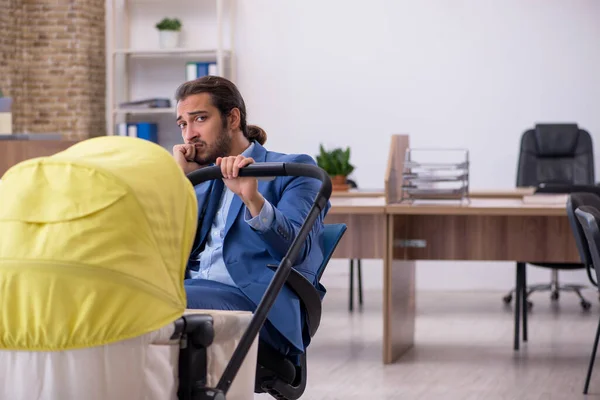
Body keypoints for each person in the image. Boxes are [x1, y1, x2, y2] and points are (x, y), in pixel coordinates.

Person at [172, 75, 329, 359]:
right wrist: (178, 185)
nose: (189, 135)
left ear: (232, 118)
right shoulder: (198, 176)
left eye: (199, 119)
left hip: (257, 307)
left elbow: (297, 248)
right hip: (189, 290)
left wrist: (253, 199)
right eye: (183, 124)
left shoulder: (293, 169)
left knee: (150, 302)